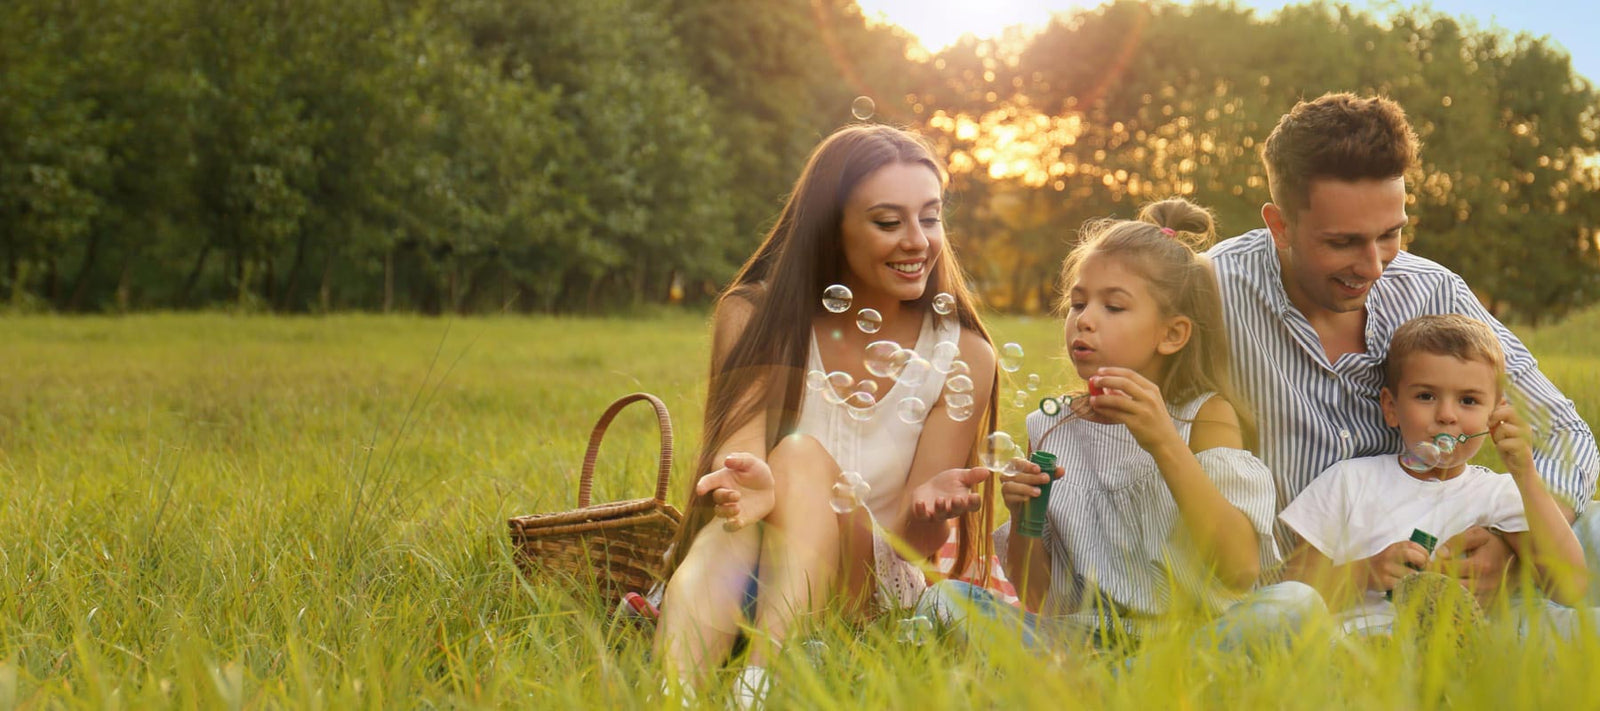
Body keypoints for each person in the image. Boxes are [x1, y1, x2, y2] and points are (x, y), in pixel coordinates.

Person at [653, 124, 1000, 705]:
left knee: (795, 454)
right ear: (830, 230)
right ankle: (675, 697)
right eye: (888, 222)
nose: (917, 240)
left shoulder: (962, 353)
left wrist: (933, 508)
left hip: (867, 593)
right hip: (751, 562)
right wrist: (752, 486)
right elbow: (734, 465)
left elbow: (915, 545)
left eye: (931, 217)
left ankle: (760, 681)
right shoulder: (755, 315)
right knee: (743, 521)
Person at [1206, 93, 1600, 601]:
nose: (1373, 267)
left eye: (1391, 234)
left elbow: (1564, 435)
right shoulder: (1211, 293)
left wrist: (1507, 544)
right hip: (1292, 592)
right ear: (1279, 225)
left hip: (1440, 578)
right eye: (1343, 242)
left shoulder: (1433, 291)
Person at [924, 199, 1320, 652]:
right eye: (1077, 303)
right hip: (1079, 638)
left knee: (1295, 604)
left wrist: (1165, 443)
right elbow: (1036, 596)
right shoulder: (1051, 427)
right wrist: (1022, 518)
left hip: (1188, 640)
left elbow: (1239, 568)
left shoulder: (1203, 417)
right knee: (944, 601)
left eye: (1113, 307)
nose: (1084, 320)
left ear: (1172, 334)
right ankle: (1101, 681)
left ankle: (1095, 689)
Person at [1281, 314, 1592, 637]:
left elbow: (1570, 587)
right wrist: (1365, 573)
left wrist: (1526, 474)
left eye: (1468, 400)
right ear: (1391, 406)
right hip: (1364, 642)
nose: (1446, 415)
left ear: (1495, 415)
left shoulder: (1499, 494)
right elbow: (1294, 591)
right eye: (1426, 396)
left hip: (1468, 648)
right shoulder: (1348, 481)